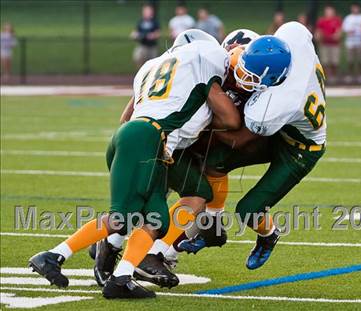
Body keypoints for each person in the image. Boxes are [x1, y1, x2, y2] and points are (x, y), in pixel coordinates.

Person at [28, 30, 241, 299]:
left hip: (141, 139)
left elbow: (125, 117)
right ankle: (53, 255)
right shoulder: (203, 61)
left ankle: (121, 278)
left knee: (158, 219)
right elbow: (232, 121)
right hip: (148, 139)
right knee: (123, 218)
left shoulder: (154, 66)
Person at [180, 23, 326, 270]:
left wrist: (205, 123)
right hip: (284, 129)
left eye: (252, 77)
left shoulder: (277, 104)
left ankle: (269, 235)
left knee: (249, 209)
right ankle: (212, 227)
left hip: (300, 150)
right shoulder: (290, 40)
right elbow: (299, 31)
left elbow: (238, 138)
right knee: (214, 160)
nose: (243, 76)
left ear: (272, 80)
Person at [315, 5, 342, 83]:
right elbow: (318, 32)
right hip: (324, 44)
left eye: (330, 11)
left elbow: (338, 33)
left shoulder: (337, 20)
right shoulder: (321, 21)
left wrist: (335, 36)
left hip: (334, 45)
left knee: (335, 62)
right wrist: (319, 37)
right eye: (327, 11)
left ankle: (334, 77)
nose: (329, 13)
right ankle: (327, 78)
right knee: (325, 62)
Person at [342, 3, 361, 83]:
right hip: (350, 43)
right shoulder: (348, 18)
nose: (355, 9)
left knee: (360, 60)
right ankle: (350, 76)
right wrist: (349, 31)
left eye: (356, 8)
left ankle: (360, 76)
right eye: (354, 8)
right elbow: (344, 29)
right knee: (350, 60)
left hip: (360, 42)